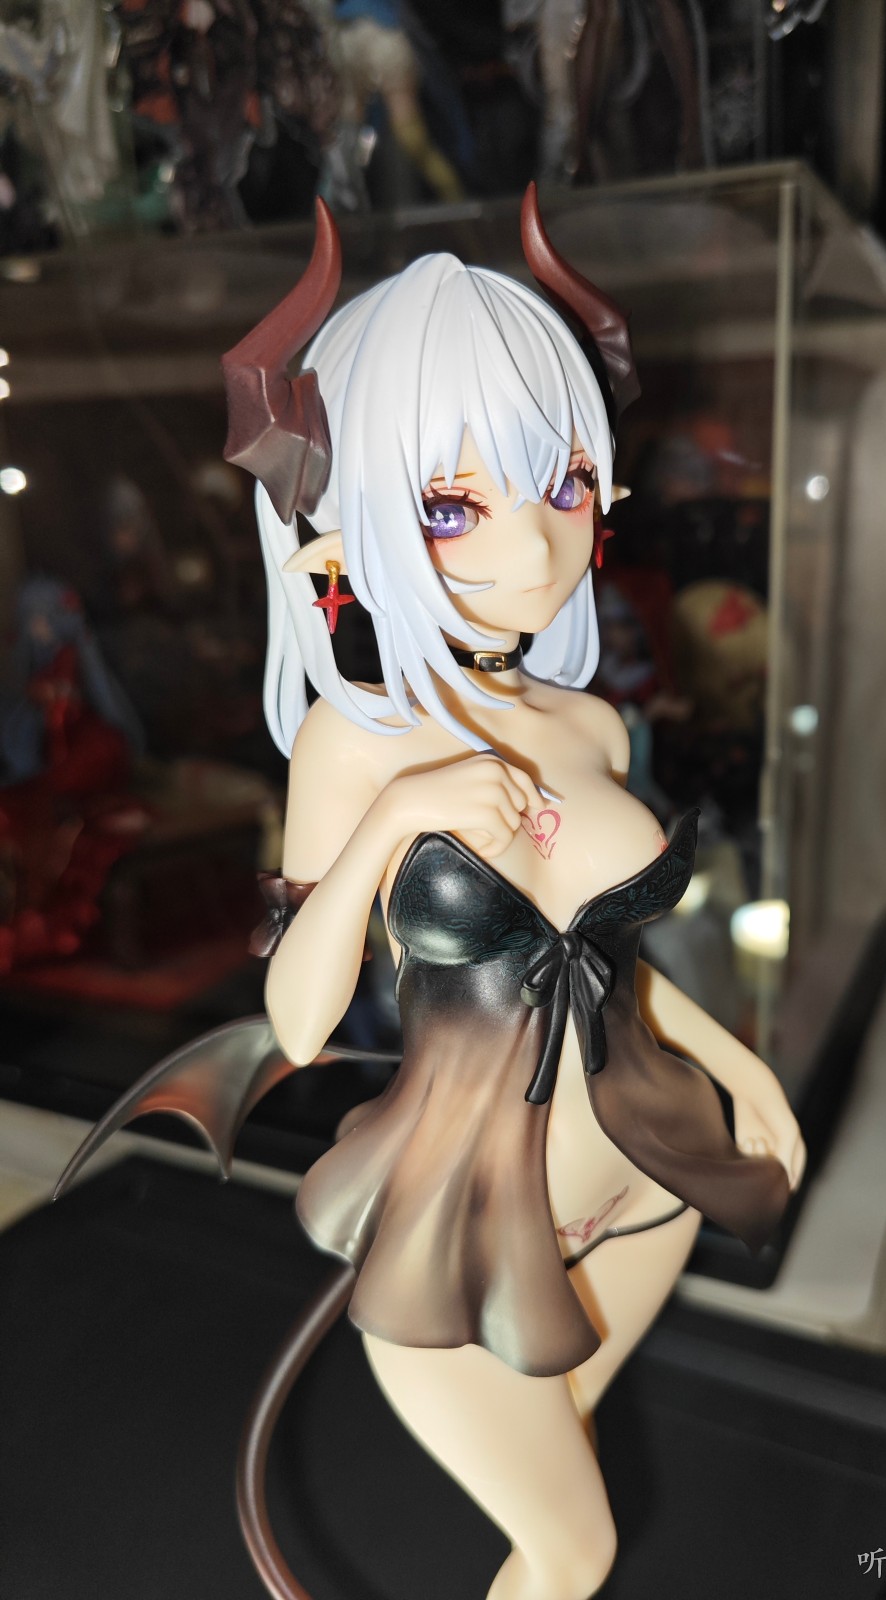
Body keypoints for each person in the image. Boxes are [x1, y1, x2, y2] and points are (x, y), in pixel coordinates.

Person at [62, 188, 804, 1600]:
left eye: (563, 485)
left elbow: (609, 967)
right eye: (454, 505)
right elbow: (298, 1021)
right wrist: (398, 819)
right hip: (462, 1234)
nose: (534, 548)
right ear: (349, 528)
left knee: (554, 1522)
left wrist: (740, 1068)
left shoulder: (589, 724)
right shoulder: (354, 743)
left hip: (648, 1183)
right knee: (577, 1546)